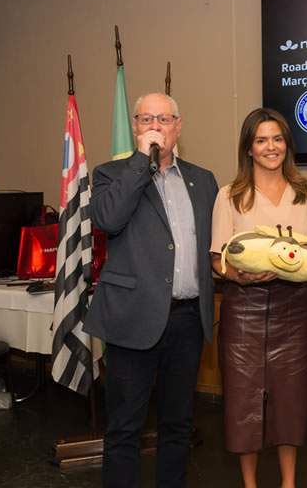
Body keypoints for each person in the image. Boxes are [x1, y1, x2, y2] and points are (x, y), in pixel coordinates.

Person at [85, 92, 219, 488]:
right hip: (133, 317)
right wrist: (141, 163)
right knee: (125, 427)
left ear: (178, 126)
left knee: (178, 424)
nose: (156, 126)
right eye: (146, 119)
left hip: (187, 319)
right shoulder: (111, 174)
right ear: (135, 127)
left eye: (164, 119)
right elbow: (108, 220)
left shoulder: (203, 180)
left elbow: (215, 244)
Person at [211, 107, 307, 488]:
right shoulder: (230, 195)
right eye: (261, 140)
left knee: (291, 401)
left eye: (277, 139)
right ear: (248, 148)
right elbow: (217, 259)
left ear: (287, 143)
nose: (270, 147)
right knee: (243, 403)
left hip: (294, 308)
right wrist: (238, 275)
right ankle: (250, 484)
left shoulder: (306, 192)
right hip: (244, 310)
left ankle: (289, 482)